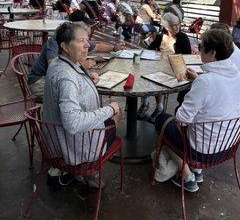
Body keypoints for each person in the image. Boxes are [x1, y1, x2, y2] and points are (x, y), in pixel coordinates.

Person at [155, 29, 240, 193]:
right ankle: (197, 172)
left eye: (202, 46)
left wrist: (198, 85)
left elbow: (181, 119)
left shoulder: (206, 82)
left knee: (161, 119)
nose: (199, 48)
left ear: (212, 52)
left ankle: (187, 175)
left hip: (203, 152)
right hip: (228, 146)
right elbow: (222, 96)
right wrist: (199, 79)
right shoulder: (237, 76)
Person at [43, 22, 121, 187]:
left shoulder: (58, 63)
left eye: (87, 40)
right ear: (64, 46)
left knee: (108, 111)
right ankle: (90, 170)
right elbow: (73, 123)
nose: (87, 45)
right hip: (73, 149)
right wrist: (109, 109)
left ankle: (74, 171)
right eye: (81, 41)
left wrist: (86, 76)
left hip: (56, 142)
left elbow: (72, 76)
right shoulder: (66, 78)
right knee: (116, 112)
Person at [28, 14, 124, 102]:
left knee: (86, 90)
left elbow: (97, 46)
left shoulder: (77, 40)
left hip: (57, 79)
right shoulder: (55, 41)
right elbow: (54, 69)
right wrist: (83, 65)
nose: (86, 43)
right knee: (82, 95)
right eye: (82, 39)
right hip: (40, 81)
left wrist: (114, 48)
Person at [138, 13, 191, 122]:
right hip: (160, 66)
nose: (177, 27)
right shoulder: (160, 36)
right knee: (144, 74)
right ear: (167, 27)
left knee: (156, 78)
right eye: (174, 25)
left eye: (178, 25)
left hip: (175, 70)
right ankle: (145, 103)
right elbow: (150, 49)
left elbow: (187, 56)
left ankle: (158, 107)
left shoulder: (183, 37)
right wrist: (145, 45)